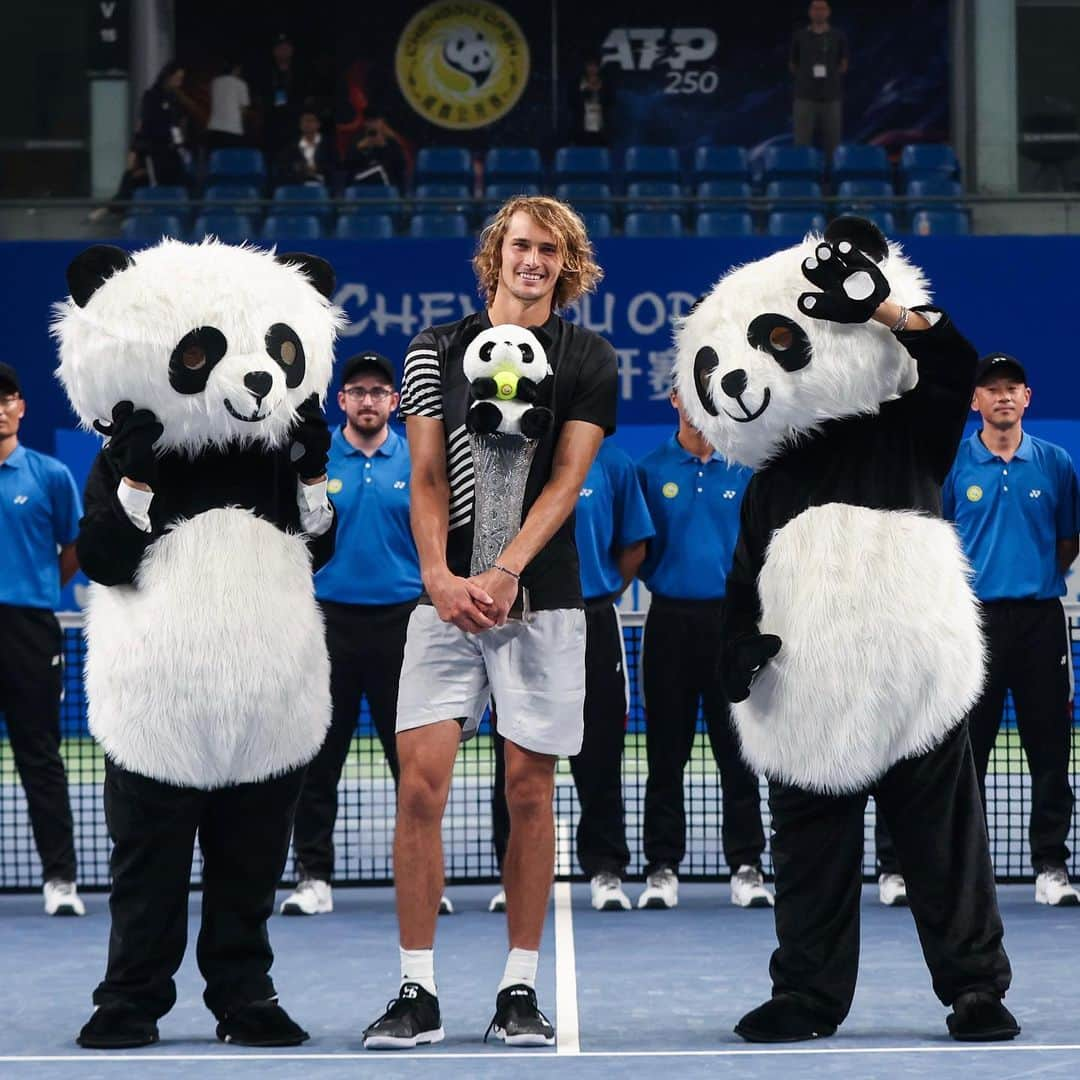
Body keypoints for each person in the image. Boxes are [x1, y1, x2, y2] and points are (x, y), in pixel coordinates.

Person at [361, 196, 615, 1050]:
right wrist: (440, 576)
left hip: (542, 603)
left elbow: (567, 481)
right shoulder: (433, 349)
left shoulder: (589, 357)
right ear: (494, 254)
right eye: (520, 246)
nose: (532, 260)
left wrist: (506, 572)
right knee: (420, 784)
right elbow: (426, 474)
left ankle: (517, 990)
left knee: (529, 791)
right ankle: (416, 990)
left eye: (549, 249)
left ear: (566, 264)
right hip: (445, 604)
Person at [280, 352, 451, 917]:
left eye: (380, 391)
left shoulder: (423, 458)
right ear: (342, 401)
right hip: (328, 623)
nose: (370, 400)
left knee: (413, 763)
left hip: (404, 624)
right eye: (359, 391)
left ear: (395, 402)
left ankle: (425, 879)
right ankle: (313, 876)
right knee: (318, 759)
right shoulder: (315, 459)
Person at [489, 438, 655, 914]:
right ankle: (515, 871)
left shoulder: (614, 464)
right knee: (516, 751)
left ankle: (606, 869)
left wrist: (593, 595)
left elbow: (633, 547)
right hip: (524, 620)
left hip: (593, 621)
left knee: (601, 751)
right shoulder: (514, 457)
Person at [943, 352, 1079, 906]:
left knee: (1049, 749)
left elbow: (1068, 540)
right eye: (990, 388)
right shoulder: (952, 464)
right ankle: (968, 872)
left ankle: (1051, 867)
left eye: (1012, 387)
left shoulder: (1056, 464)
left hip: (1041, 622)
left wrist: (1036, 574)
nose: (1002, 395)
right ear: (974, 400)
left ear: (1027, 398)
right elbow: (939, 539)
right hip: (972, 626)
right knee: (965, 753)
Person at [634, 391, 773, 910]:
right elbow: (639, 551)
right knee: (665, 755)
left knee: (738, 754)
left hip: (730, 624)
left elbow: (762, 549)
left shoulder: (746, 469)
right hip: (670, 621)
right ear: (674, 399)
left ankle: (746, 866)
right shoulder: (650, 471)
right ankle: (662, 868)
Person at [0, 362, 85, 917]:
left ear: (21, 407)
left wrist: (35, 587)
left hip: (29, 629)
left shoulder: (51, 475)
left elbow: (74, 546)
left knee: (40, 755)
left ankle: (60, 879)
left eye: (6, 397)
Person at [789, 0, 848, 161]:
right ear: (810, 12)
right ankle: (802, 179)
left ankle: (831, 181)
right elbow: (793, 65)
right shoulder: (799, 36)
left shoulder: (838, 36)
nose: (819, 11)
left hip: (831, 98)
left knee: (833, 143)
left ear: (828, 12)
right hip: (804, 98)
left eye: (822, 8)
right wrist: (806, 77)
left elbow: (843, 65)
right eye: (815, 8)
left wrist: (830, 76)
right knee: (801, 143)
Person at [138, 61, 199, 187]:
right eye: (177, 78)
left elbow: (177, 124)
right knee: (160, 187)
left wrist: (180, 145)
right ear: (167, 77)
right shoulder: (151, 96)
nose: (179, 83)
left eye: (181, 79)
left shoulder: (174, 98)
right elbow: (147, 124)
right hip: (156, 151)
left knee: (182, 184)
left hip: (174, 152)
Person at [274, 109, 339, 189]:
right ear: (300, 125)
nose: (307, 124)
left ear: (318, 124)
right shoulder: (291, 147)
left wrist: (318, 168)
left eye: (311, 121)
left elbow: (335, 167)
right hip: (297, 185)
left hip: (324, 185)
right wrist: (301, 169)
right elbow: (284, 168)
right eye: (304, 121)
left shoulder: (329, 145)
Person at [342, 115, 407, 189]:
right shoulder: (357, 140)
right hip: (361, 184)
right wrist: (359, 149)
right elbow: (347, 167)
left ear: (382, 123)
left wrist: (384, 147)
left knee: (380, 170)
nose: (373, 125)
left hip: (387, 184)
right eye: (369, 122)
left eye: (376, 121)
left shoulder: (391, 141)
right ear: (365, 123)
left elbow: (401, 166)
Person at [206, 59, 251, 150]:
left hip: (214, 128)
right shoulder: (241, 84)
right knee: (231, 161)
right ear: (236, 69)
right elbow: (244, 110)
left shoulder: (214, 82)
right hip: (233, 129)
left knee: (218, 161)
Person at [570, 59, 614, 147]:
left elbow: (610, 102)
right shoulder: (576, 84)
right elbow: (572, 102)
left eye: (595, 66)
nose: (592, 69)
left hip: (601, 129)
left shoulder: (606, 84)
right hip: (581, 129)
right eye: (590, 66)